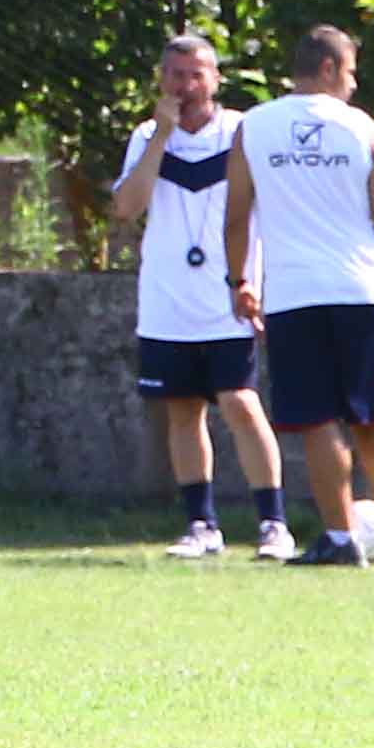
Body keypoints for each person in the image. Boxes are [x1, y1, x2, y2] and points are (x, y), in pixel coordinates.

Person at [227, 25, 374, 566]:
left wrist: (241, 280)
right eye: (350, 72)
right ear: (329, 69)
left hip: (293, 296)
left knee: (318, 419)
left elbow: (237, 215)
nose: (353, 85)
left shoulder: (254, 127)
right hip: (361, 289)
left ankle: (340, 536)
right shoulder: (361, 128)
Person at [110, 32, 290, 559]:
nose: (186, 86)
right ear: (161, 81)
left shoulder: (242, 132)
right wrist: (161, 139)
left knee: (240, 402)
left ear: (215, 79)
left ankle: (273, 523)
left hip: (228, 298)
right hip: (167, 300)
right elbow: (126, 207)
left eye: (196, 75)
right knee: (183, 410)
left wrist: (254, 279)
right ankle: (201, 524)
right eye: (175, 75)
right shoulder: (147, 135)